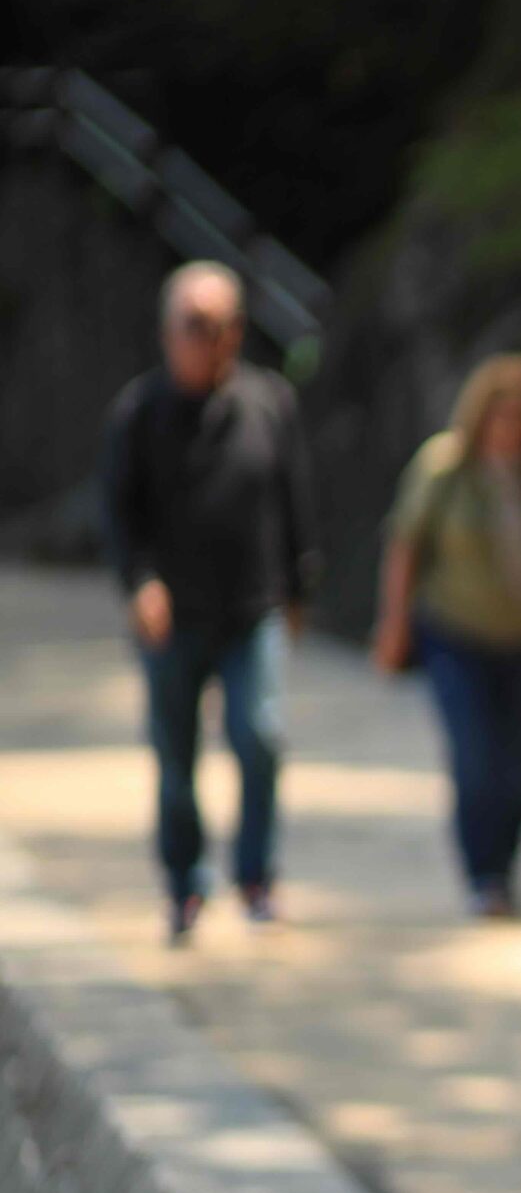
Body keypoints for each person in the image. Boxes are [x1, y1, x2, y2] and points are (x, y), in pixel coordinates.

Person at [100, 260, 316, 943]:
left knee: (261, 736)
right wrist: (141, 583)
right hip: (173, 616)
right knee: (175, 754)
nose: (214, 338)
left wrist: (300, 585)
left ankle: (255, 877)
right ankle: (184, 883)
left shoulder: (269, 401)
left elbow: (294, 499)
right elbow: (119, 515)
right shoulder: (137, 413)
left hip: (252, 608)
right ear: (169, 332)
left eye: (227, 325)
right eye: (198, 325)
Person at [370, 353, 521, 916]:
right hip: (458, 636)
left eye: (520, 418)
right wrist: (394, 624)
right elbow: (405, 547)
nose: (510, 430)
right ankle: (482, 874)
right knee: (475, 758)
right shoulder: (443, 468)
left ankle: (502, 867)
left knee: (520, 763)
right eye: (500, 417)